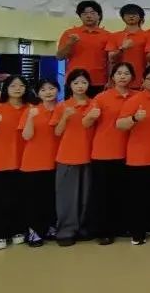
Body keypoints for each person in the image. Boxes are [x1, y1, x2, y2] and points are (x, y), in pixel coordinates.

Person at [116, 64, 150, 245]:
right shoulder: (135, 100)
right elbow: (120, 125)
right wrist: (134, 118)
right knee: (138, 198)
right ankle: (137, 232)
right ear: (143, 81)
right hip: (139, 157)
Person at [86, 63, 135, 246]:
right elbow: (86, 123)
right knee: (102, 194)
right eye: (119, 73)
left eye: (126, 73)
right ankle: (103, 230)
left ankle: (121, 226)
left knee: (123, 192)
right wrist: (91, 116)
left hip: (130, 152)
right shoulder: (101, 97)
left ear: (132, 77)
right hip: (104, 151)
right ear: (113, 77)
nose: (122, 76)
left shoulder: (136, 96)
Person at [0, 75, 30, 250]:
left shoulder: (31, 109)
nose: (17, 89)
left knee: (20, 198)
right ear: (6, 89)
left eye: (21, 86)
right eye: (13, 86)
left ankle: (17, 230)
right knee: (0, 199)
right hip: (1, 161)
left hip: (25, 161)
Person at [51, 69, 96, 246]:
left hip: (90, 155)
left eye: (84, 82)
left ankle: (84, 228)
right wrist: (65, 117)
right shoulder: (62, 106)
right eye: (76, 83)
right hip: (68, 155)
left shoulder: (94, 103)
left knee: (87, 195)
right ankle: (66, 230)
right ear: (70, 85)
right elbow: (57, 132)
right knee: (67, 197)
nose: (80, 86)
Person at [19, 78, 59, 247]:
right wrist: (30, 118)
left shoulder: (62, 109)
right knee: (34, 199)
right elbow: (26, 136)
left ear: (57, 90)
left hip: (56, 160)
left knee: (51, 197)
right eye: (43, 90)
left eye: (51, 88)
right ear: (37, 93)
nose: (48, 92)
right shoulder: (32, 110)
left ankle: (50, 227)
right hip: (34, 161)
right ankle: (33, 231)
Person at [57, 0, 111, 96]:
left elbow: (111, 61)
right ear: (80, 16)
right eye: (84, 13)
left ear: (99, 15)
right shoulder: (69, 33)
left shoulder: (108, 35)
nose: (88, 16)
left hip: (99, 82)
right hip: (74, 82)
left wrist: (111, 80)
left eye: (92, 13)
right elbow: (59, 57)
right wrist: (69, 44)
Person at [105, 4, 148, 89]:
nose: (131, 16)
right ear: (122, 17)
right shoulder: (114, 36)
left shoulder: (148, 36)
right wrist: (122, 48)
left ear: (140, 17)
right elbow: (111, 59)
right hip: (120, 80)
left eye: (134, 14)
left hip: (141, 80)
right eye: (128, 14)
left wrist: (148, 79)